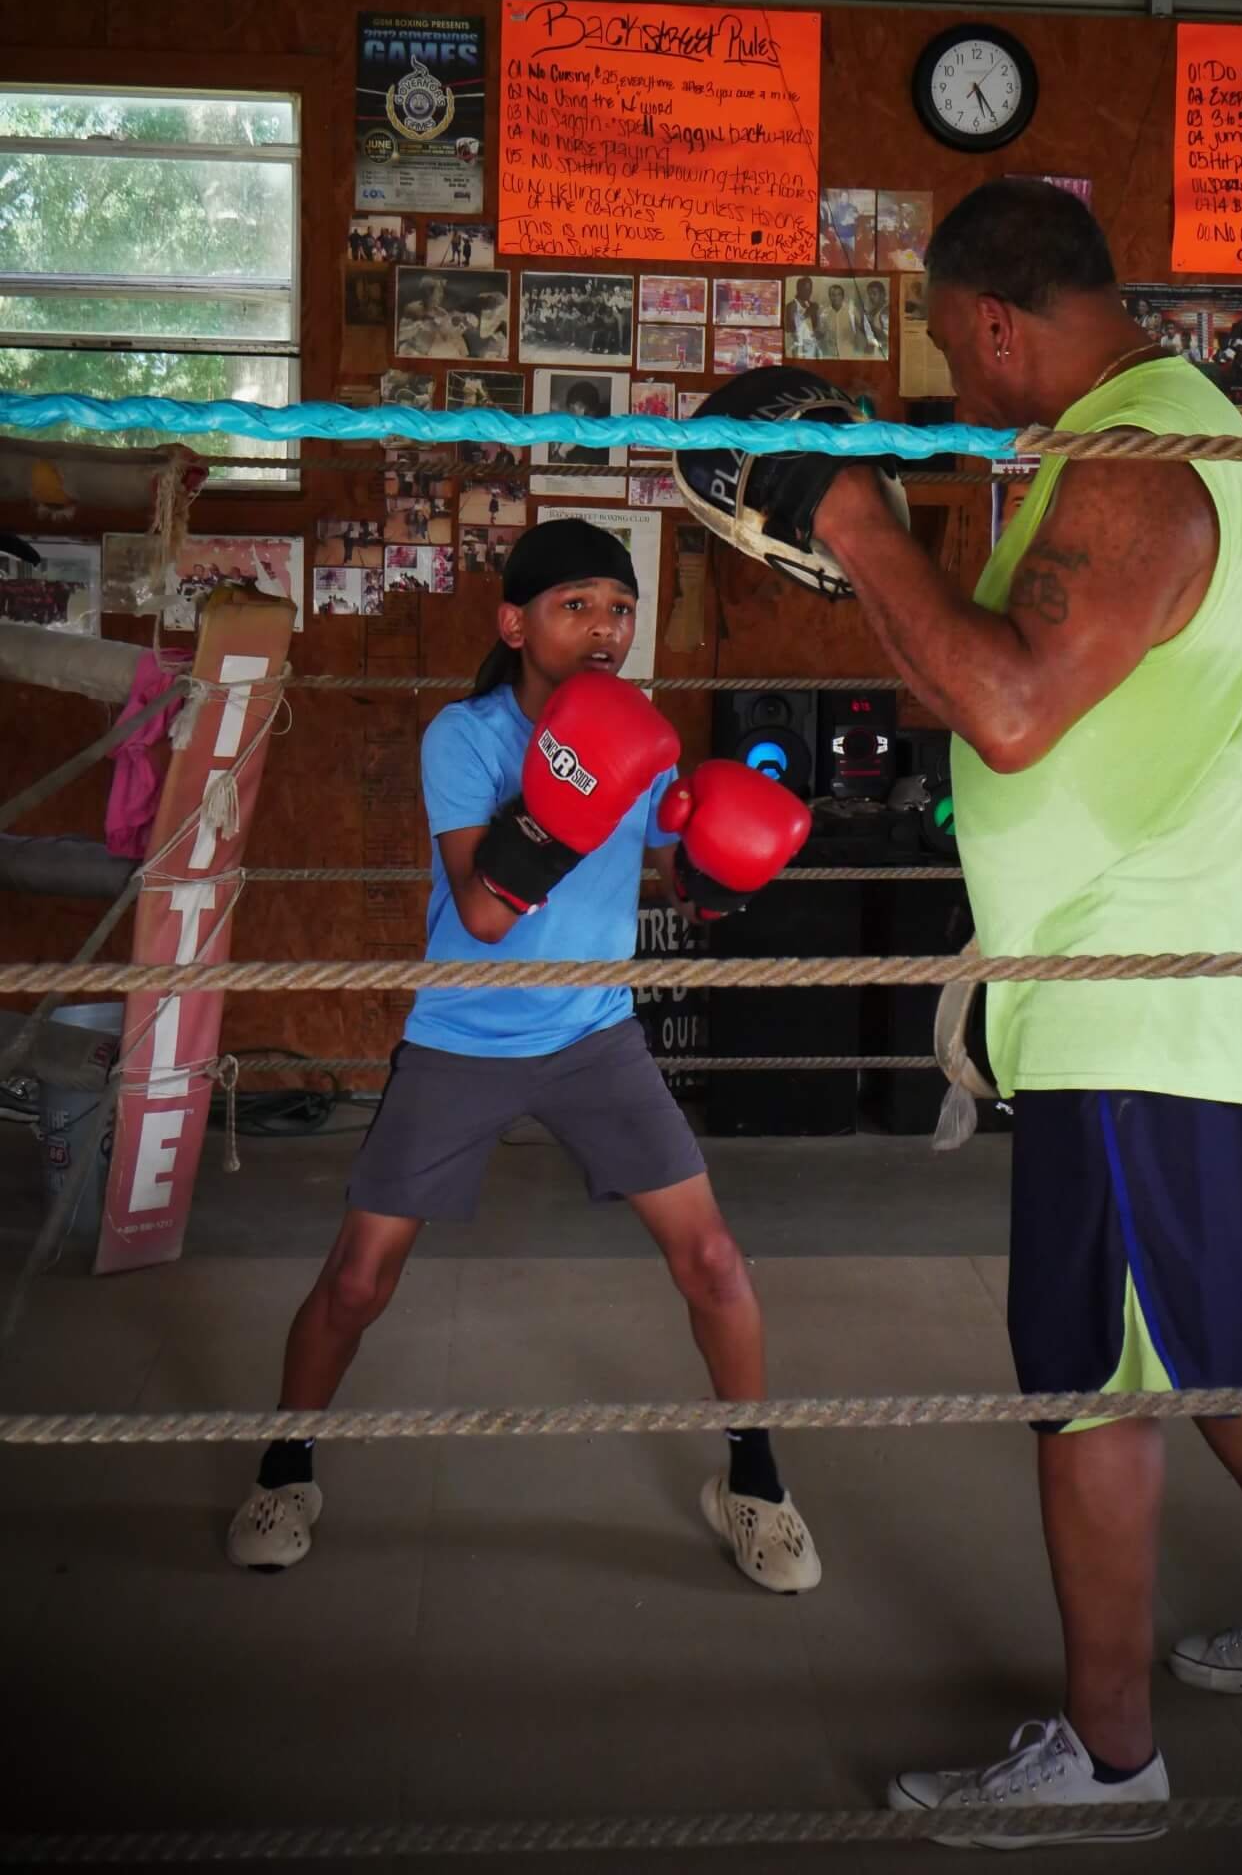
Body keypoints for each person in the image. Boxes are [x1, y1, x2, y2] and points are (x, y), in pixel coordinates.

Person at [803, 180, 1242, 1844]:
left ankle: (1111, 1758)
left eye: (944, 336)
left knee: (1091, 1368)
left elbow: (999, 711)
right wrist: (876, 536)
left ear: (996, 320)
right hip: (1138, 974)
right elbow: (991, 658)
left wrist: (855, 525)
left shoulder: (1138, 463)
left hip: (1145, 981)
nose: (948, 368)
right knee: (1184, 1313)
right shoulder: (1113, 442)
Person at [226, 518, 821, 1594]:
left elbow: (680, 887)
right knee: (359, 1281)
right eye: (577, 605)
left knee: (716, 1261)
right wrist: (572, 797)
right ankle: (284, 1465)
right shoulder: (463, 737)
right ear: (516, 621)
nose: (606, 627)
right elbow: (483, 912)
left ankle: (755, 1482)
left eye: (620, 608)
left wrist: (722, 865)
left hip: (594, 1035)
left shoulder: (637, 734)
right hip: (461, 1036)